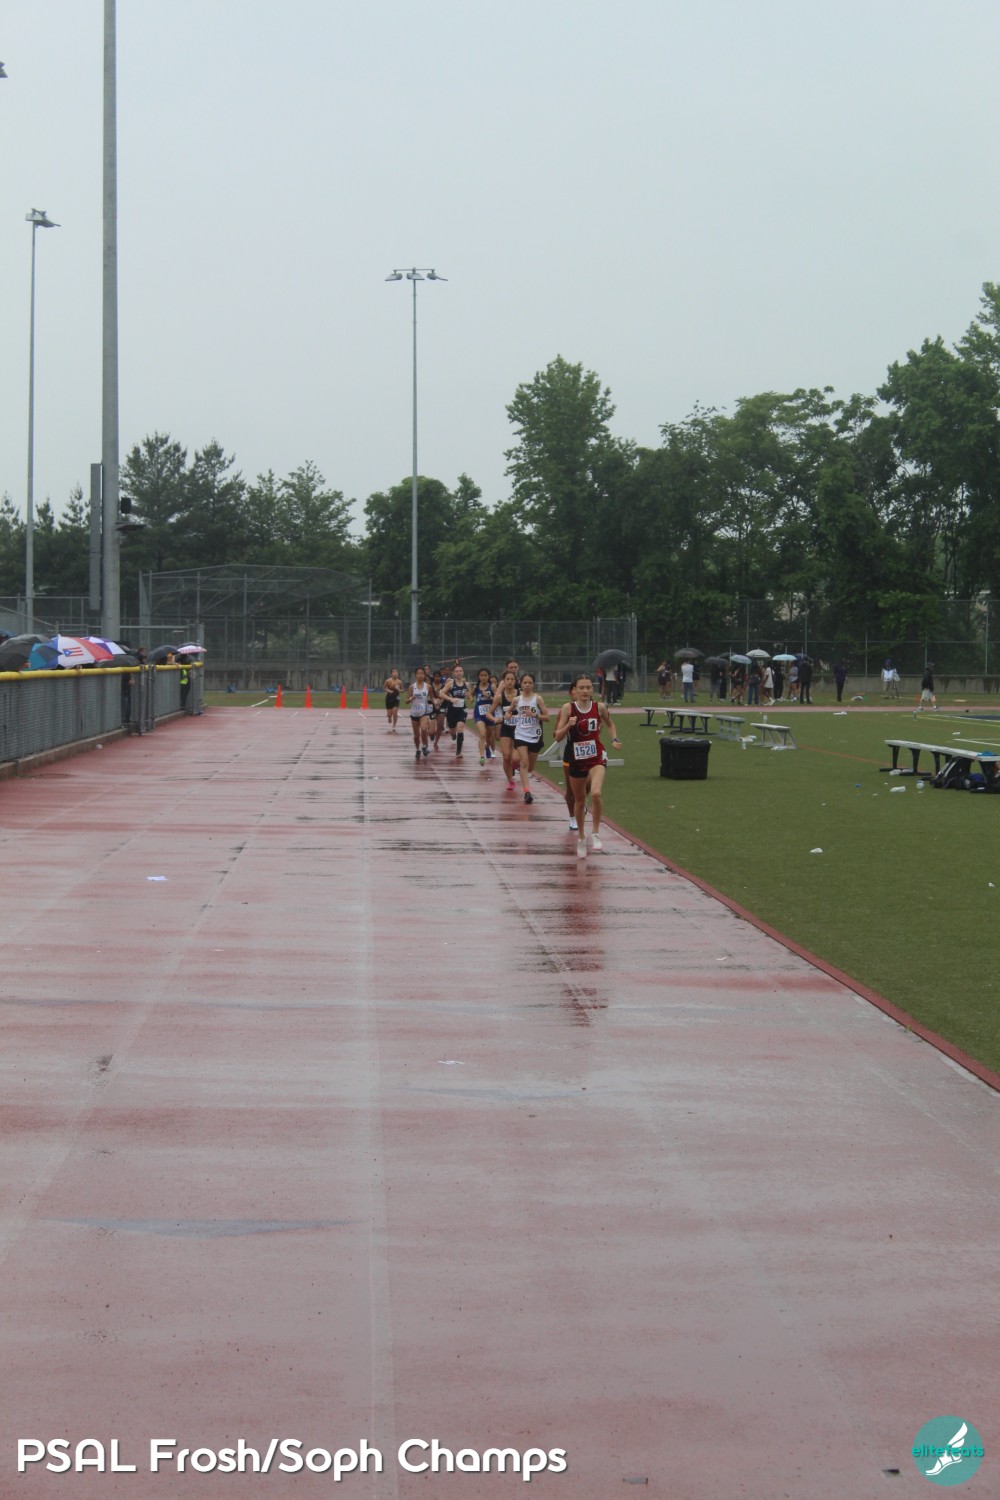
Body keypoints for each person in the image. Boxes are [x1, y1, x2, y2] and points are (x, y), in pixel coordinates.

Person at [554, 674, 621, 857]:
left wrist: (614, 739)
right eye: (581, 688)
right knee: (580, 801)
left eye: (588, 687)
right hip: (576, 759)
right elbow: (557, 736)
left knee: (596, 793)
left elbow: (610, 724)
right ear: (574, 690)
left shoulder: (599, 707)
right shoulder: (568, 708)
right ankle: (582, 837)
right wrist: (568, 725)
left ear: (592, 689)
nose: (585, 691)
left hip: (596, 756)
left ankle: (596, 833)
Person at [510, 672, 549, 804]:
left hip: (535, 735)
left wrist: (535, 715)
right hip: (520, 734)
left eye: (530, 683)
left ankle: (520, 770)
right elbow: (509, 712)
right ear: (520, 684)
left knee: (530, 767)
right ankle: (527, 792)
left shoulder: (538, 699)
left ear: (533, 685)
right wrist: (508, 715)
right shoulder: (517, 700)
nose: (527, 685)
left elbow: (547, 717)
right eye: (525, 683)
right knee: (524, 762)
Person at [492, 669, 520, 789]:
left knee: (515, 759)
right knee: (506, 756)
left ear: (515, 681)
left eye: (512, 679)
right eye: (507, 679)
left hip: (519, 730)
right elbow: (489, 713)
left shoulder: (521, 694)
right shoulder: (500, 697)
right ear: (503, 681)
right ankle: (510, 781)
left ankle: (515, 766)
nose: (510, 681)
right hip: (506, 729)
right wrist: (496, 719)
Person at [441, 663, 470, 757]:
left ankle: (458, 752)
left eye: (460, 671)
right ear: (453, 673)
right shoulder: (450, 683)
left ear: (463, 672)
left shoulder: (467, 684)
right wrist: (450, 699)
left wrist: (469, 697)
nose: (459, 673)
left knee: (460, 728)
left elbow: (469, 696)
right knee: (452, 730)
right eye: (457, 671)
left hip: (462, 709)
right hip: (452, 709)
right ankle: (453, 735)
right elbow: (441, 693)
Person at [471, 667, 495, 764]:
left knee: (488, 737)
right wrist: (470, 698)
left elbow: (498, 700)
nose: (483, 677)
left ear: (488, 676)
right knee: (482, 734)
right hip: (479, 714)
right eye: (481, 675)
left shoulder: (492, 687)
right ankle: (482, 756)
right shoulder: (476, 687)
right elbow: (471, 696)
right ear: (479, 677)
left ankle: (487, 746)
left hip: (490, 714)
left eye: (485, 675)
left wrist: (489, 696)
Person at [407, 666, 432, 759]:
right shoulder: (412, 687)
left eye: (422, 673)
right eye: (418, 674)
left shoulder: (428, 686)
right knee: (416, 735)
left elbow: (432, 697)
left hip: (424, 712)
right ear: (415, 675)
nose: (420, 675)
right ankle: (418, 749)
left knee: (424, 729)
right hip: (414, 713)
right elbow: (406, 701)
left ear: (424, 675)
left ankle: (424, 746)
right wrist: (411, 698)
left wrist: (435, 703)